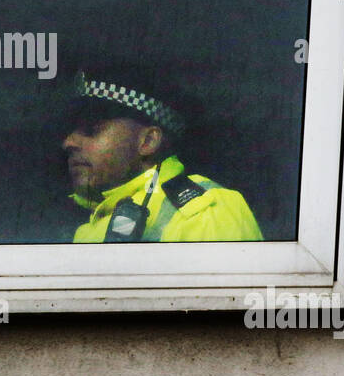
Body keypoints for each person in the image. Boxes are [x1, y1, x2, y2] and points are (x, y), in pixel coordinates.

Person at [61, 65, 262, 243]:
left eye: (91, 130)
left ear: (148, 141)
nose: (68, 142)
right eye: (71, 131)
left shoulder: (203, 214)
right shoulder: (88, 227)